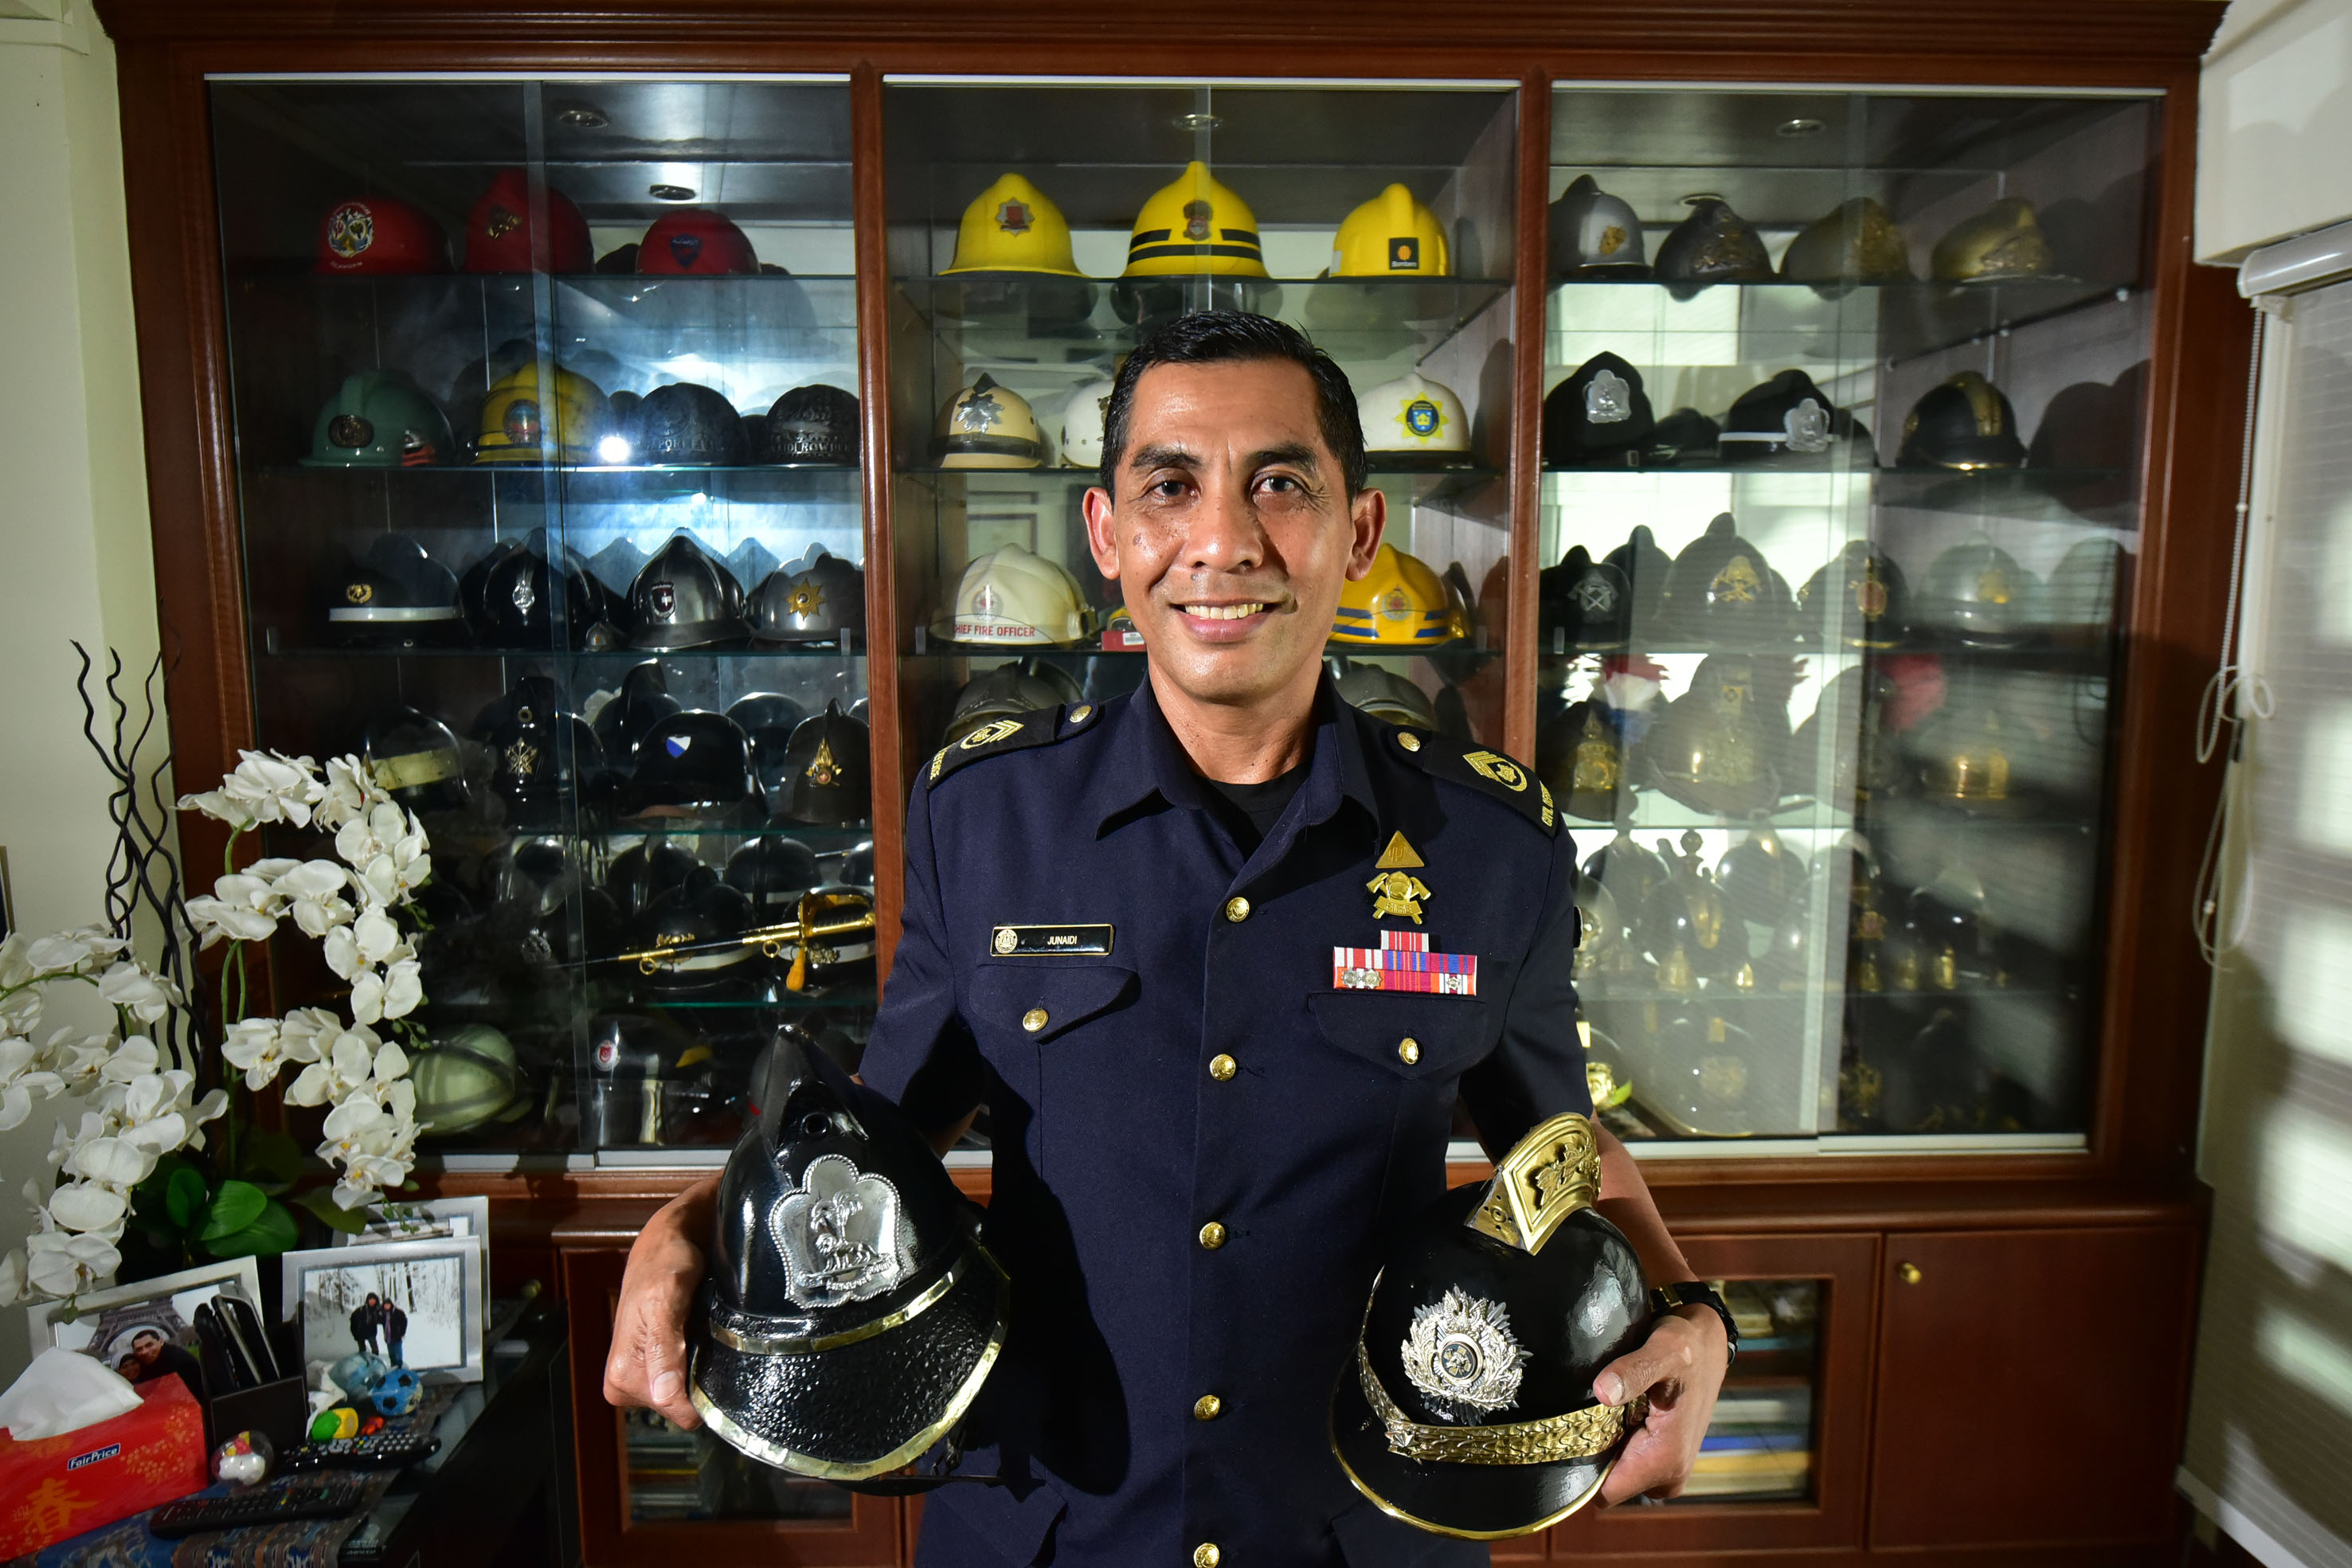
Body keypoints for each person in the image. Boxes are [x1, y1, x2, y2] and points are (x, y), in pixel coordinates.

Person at [605, 312, 1729, 1566]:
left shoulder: (1486, 846)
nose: (1222, 542)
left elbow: (1561, 1158)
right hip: (1050, 1521)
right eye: (1171, 486)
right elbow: (874, 1134)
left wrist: (1692, 1314)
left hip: (1356, 1524)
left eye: (1281, 484)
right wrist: (687, 1228)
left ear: (1358, 533)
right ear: (1107, 535)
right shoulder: (985, 817)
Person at [127, 1327, 205, 1395]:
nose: (145, 1352)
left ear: (161, 1342)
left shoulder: (179, 1359)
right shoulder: (140, 1365)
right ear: (134, 1353)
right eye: (139, 1349)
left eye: (149, 1345)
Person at [350, 1292, 382, 1357]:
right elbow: (353, 1320)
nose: (372, 1302)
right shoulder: (361, 1310)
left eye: (374, 1300)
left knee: (375, 1351)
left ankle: (374, 1364)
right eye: (370, 1300)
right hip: (360, 1334)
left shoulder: (377, 1310)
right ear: (367, 1301)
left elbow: (381, 1320)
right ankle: (364, 1364)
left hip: (371, 1333)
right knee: (362, 1352)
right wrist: (355, 1334)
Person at [382, 1295, 408, 1368]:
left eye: (388, 1304)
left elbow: (404, 1321)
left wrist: (402, 1333)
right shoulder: (384, 1314)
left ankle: (400, 1369)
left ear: (391, 1304)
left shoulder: (398, 1312)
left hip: (397, 1337)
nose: (387, 1306)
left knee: (398, 1355)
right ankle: (393, 1368)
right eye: (385, 1305)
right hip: (388, 1338)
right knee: (392, 1355)